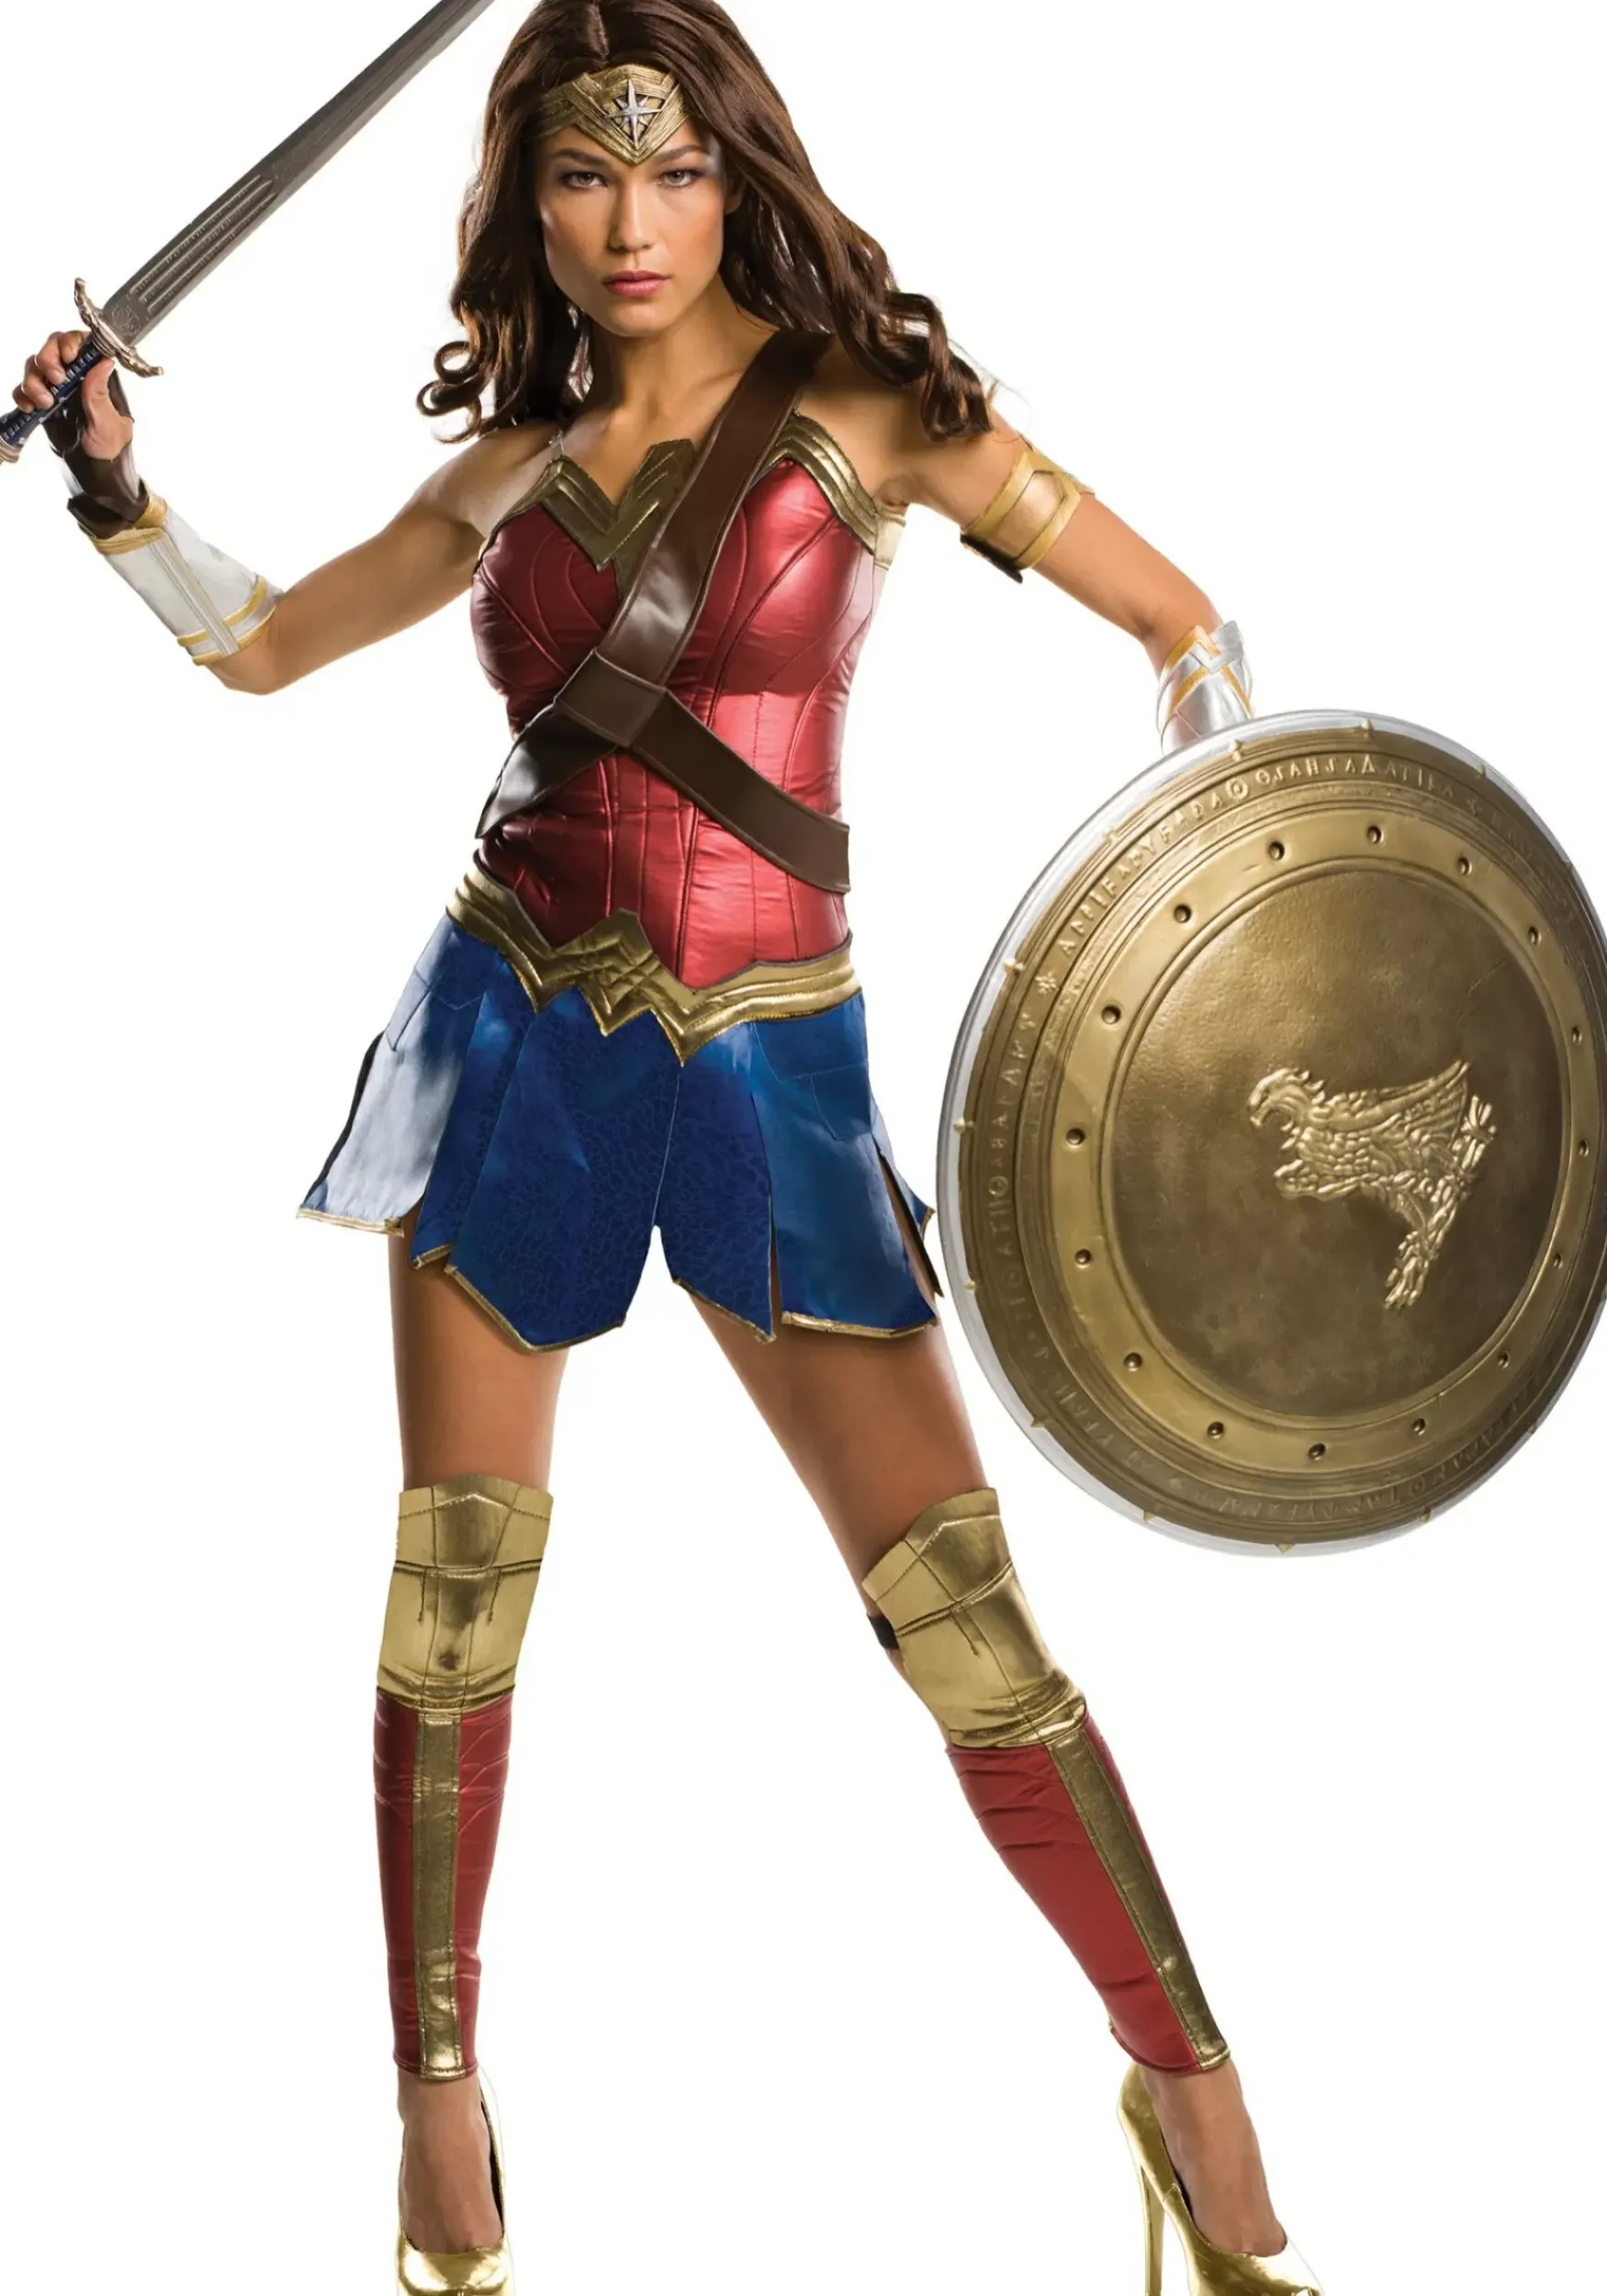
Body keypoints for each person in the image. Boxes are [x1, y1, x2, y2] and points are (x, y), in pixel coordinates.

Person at [12, 4, 1317, 2290]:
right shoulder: (510, 467)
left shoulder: (870, 409)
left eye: (674, 169)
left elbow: (1181, 626)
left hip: (774, 1070)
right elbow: (265, 644)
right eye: (581, 174)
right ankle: (437, 2128)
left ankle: (1192, 2098)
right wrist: (116, 486)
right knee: (453, 1602)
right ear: (525, 201)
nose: (631, 221)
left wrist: (1214, 875)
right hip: (506, 1034)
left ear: (736, 175)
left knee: (968, 1624)